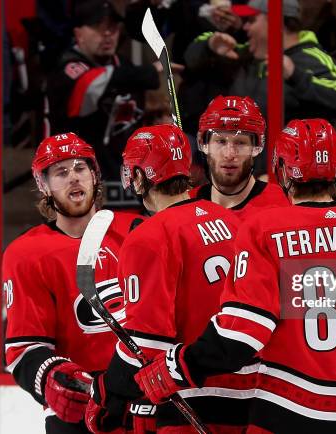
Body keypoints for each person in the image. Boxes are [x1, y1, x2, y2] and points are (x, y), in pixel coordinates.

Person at [132, 118, 336, 433]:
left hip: (291, 413)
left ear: (281, 170)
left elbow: (239, 339)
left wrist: (176, 366)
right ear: (335, 166)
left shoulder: (266, 228)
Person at [84, 125, 246, 433]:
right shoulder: (228, 219)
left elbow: (147, 344)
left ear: (142, 177)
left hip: (194, 398)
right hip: (253, 395)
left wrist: (107, 392)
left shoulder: (149, 236)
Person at [3, 132, 144, 434]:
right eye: (61, 172)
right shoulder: (26, 254)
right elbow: (24, 348)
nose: (73, 179)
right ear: (43, 185)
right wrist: (52, 376)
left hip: (147, 400)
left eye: (80, 168)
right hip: (82, 407)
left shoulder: (138, 232)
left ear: (94, 175)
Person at [184, 0, 336, 134]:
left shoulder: (312, 58)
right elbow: (189, 59)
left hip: (289, 171)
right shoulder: (246, 54)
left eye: (252, 20)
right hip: (244, 166)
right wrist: (210, 45)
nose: (245, 27)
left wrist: (296, 75)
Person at [46, 0, 161, 183]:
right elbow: (89, 86)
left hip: (125, 177)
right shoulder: (67, 70)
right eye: (98, 27)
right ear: (78, 34)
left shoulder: (124, 65)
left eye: (113, 27)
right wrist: (149, 73)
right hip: (77, 178)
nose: (107, 34)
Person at [190, 95, 290, 218]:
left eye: (240, 143)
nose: (229, 154)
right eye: (220, 142)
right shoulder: (187, 203)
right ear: (204, 145)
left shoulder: (280, 205)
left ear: (256, 147)